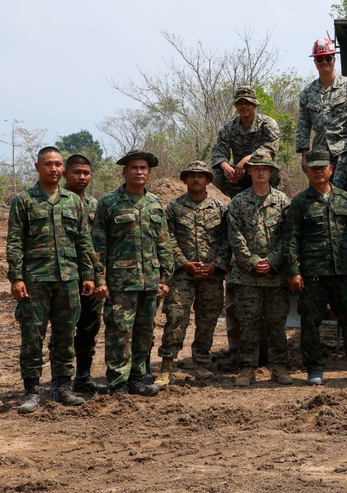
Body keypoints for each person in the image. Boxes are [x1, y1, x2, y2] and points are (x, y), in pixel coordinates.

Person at [6, 147, 96, 413]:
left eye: (58, 164)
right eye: (48, 164)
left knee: (65, 335)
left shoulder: (74, 201)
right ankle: (32, 390)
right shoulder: (23, 200)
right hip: (35, 280)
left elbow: (83, 240)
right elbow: (14, 242)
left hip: (68, 279)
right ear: (37, 167)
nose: (54, 169)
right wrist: (16, 277)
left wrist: (88, 274)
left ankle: (62, 387)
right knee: (32, 335)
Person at [286, 149, 347, 385]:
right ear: (307, 170)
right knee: (310, 324)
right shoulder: (299, 203)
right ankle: (314, 369)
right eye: (313, 166)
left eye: (322, 166)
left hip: (344, 273)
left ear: (331, 169)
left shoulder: (346, 199)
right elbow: (291, 238)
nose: (318, 170)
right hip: (313, 275)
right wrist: (294, 270)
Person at [92, 149, 171, 397]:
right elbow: (98, 245)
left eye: (144, 168)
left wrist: (165, 278)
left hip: (149, 282)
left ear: (149, 173)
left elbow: (163, 243)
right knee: (118, 332)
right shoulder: (109, 202)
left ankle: (137, 379)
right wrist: (100, 279)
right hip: (120, 283)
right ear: (124, 172)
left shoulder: (156, 204)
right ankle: (117, 383)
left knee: (143, 333)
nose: (139, 171)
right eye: (134, 167)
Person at [154, 161, 230, 385]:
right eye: (192, 175)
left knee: (207, 320)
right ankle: (167, 367)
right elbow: (168, 239)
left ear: (208, 180)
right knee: (176, 318)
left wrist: (215, 265)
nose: (196, 179)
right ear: (184, 180)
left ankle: (202, 365)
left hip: (212, 275)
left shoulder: (220, 208)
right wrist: (184, 263)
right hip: (182, 275)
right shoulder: (174, 208)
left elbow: (227, 241)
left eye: (201, 176)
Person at [227, 152, 292, 387]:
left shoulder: (284, 202)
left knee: (277, 324)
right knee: (248, 323)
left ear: (271, 172)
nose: (261, 172)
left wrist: (273, 260)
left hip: (276, 276)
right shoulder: (238, 203)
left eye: (266, 168)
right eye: (257, 168)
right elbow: (235, 236)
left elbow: (289, 236)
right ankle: (247, 368)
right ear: (250, 172)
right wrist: (253, 261)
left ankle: (280, 367)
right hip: (247, 277)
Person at [295, 38, 347, 189]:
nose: (324, 62)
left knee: (345, 194)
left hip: (346, 152)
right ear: (315, 62)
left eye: (328, 57)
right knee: (319, 195)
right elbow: (303, 126)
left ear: (334, 59)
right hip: (320, 156)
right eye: (320, 58)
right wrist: (304, 156)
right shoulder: (307, 93)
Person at [63, 153, 106, 395]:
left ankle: (83, 377)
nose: (82, 177)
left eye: (86, 173)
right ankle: (61, 381)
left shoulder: (95, 205)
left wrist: (100, 276)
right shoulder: (59, 201)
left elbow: (99, 244)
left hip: (91, 277)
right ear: (64, 174)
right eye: (77, 172)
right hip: (64, 276)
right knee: (64, 329)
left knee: (89, 327)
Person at [210, 85, 282, 197]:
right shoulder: (228, 128)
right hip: (240, 174)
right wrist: (226, 167)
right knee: (216, 174)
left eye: (247, 103)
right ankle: (240, 200)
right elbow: (219, 151)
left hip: (261, 169)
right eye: (239, 103)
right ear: (235, 106)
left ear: (254, 105)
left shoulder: (267, 124)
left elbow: (270, 149)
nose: (243, 106)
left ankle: (267, 198)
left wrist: (247, 160)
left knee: (271, 171)